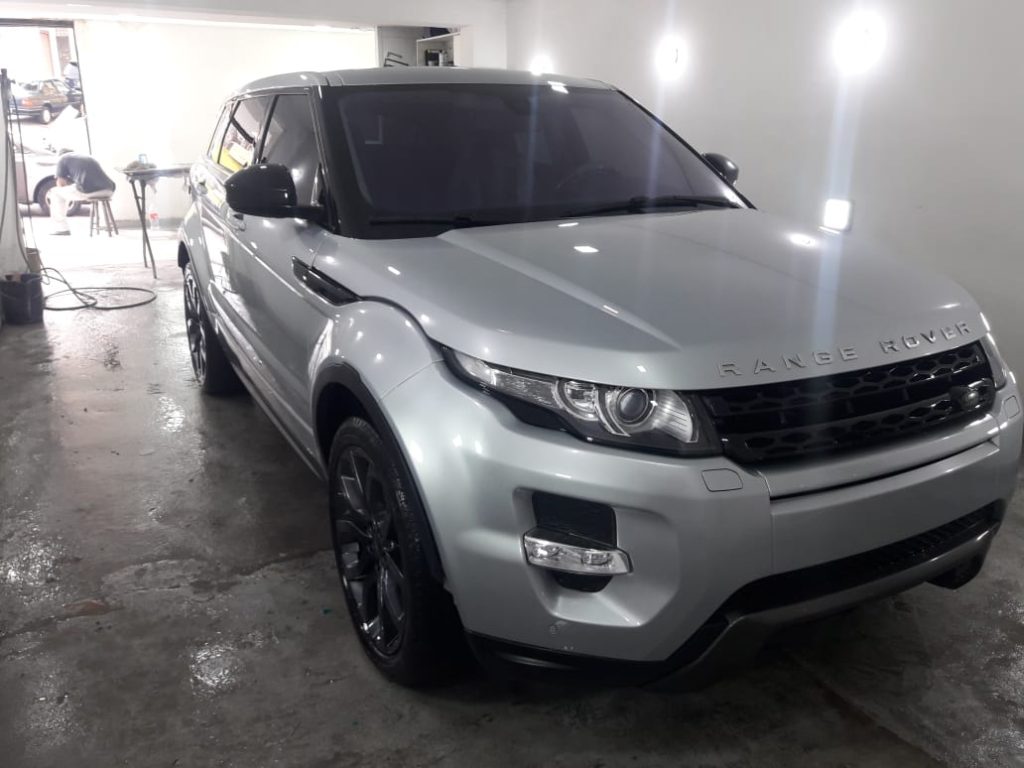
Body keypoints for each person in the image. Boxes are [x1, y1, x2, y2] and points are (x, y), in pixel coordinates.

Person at [50, 153, 116, 235]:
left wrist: (66, 197)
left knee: (55, 192)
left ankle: (62, 228)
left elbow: (61, 184)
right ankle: (105, 224)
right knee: (76, 188)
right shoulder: (85, 157)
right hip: (109, 189)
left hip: (90, 190)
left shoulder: (62, 159)